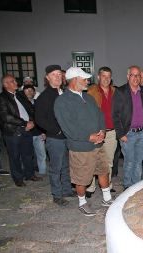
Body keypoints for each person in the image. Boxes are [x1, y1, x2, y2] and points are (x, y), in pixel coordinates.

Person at [54, 67, 113, 217]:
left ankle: (107, 198)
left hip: (98, 143)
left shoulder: (88, 97)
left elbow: (100, 115)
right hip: (81, 147)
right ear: (74, 80)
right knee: (82, 177)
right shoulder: (62, 101)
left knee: (103, 170)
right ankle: (82, 202)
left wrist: (102, 131)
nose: (87, 81)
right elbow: (68, 127)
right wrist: (88, 137)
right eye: (84, 79)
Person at [35, 65, 73, 206]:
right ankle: (57, 195)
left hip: (66, 137)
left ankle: (67, 190)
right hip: (55, 138)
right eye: (54, 74)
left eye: (59, 74)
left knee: (65, 166)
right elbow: (39, 118)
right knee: (56, 168)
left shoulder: (64, 93)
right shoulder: (44, 96)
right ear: (47, 77)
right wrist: (55, 130)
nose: (57, 77)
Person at [0, 74, 42, 186]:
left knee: (28, 154)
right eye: (12, 81)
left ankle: (30, 174)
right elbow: (6, 117)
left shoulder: (19, 95)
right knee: (15, 156)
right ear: (5, 84)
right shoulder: (2, 98)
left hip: (27, 129)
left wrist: (32, 121)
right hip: (13, 132)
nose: (16, 83)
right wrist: (24, 123)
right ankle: (18, 178)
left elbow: (30, 108)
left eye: (15, 81)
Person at [112, 66, 143, 189]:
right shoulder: (121, 91)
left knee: (138, 162)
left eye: (138, 75)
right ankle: (127, 186)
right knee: (129, 162)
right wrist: (121, 134)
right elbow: (115, 114)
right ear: (128, 77)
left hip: (142, 133)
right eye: (133, 75)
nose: (135, 77)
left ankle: (136, 186)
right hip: (128, 134)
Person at [86, 67, 117, 197]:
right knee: (93, 161)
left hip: (111, 132)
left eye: (108, 76)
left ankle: (107, 185)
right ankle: (90, 187)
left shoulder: (115, 91)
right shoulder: (91, 91)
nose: (106, 78)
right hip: (97, 132)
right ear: (98, 77)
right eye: (103, 76)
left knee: (109, 161)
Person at [23, 85, 47, 175]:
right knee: (28, 155)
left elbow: (42, 117)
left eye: (31, 90)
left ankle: (42, 172)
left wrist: (44, 131)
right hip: (27, 133)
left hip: (38, 133)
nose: (29, 92)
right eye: (27, 90)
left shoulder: (38, 102)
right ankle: (29, 173)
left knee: (41, 154)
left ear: (34, 92)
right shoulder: (21, 104)